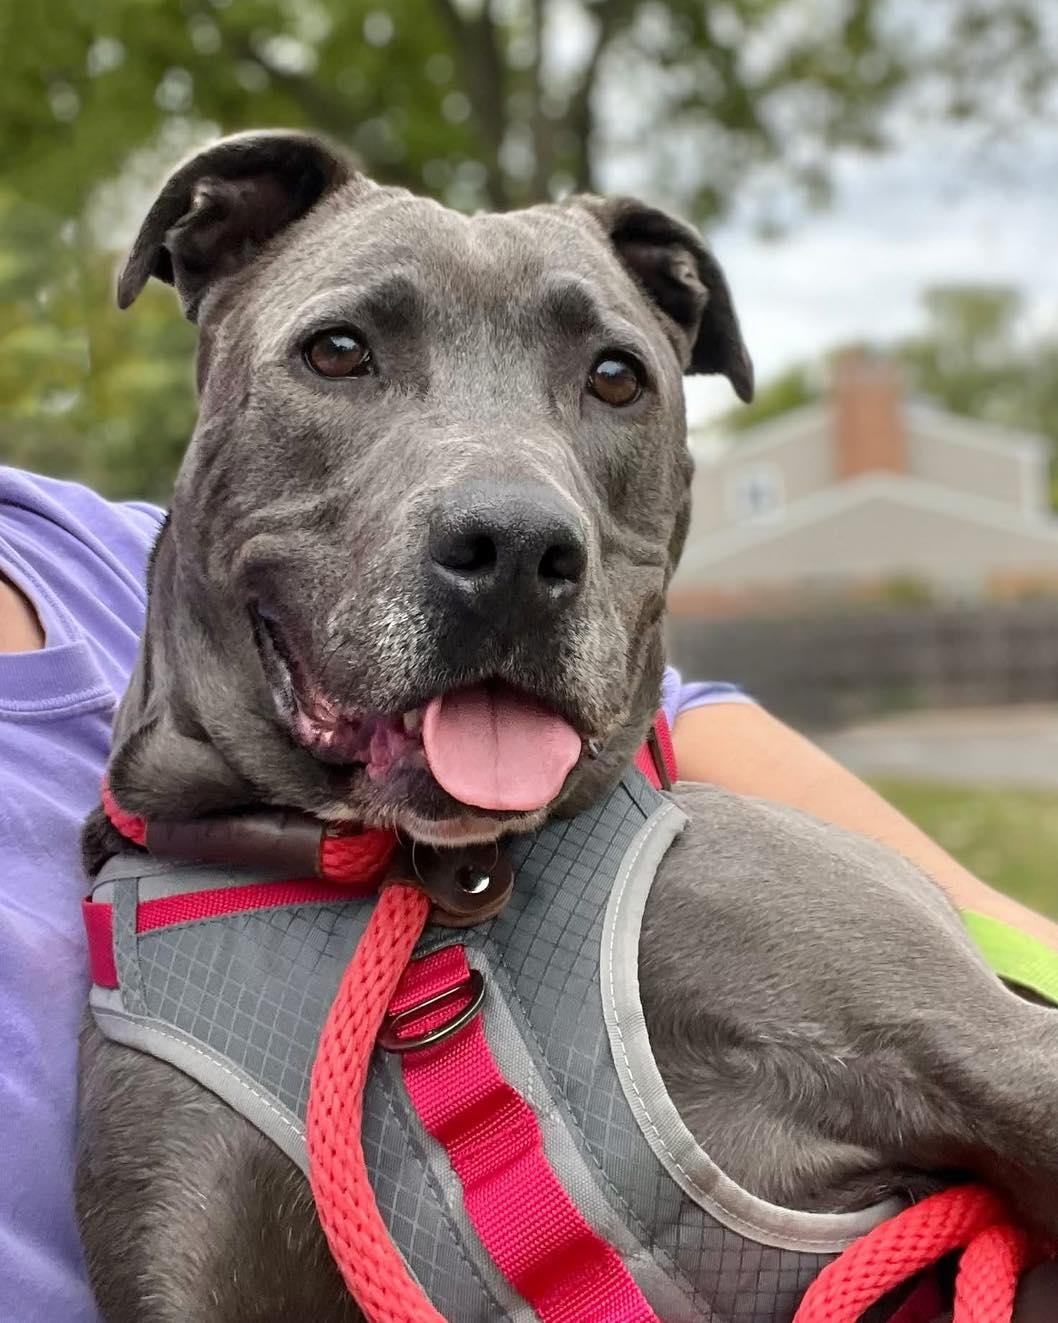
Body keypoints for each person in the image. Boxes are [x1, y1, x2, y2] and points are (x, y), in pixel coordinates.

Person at [2, 465, 1056, 1323]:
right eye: (340, 356)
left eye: (611, 381)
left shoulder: (106, 549)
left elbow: (665, 715)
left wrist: (1023, 958)